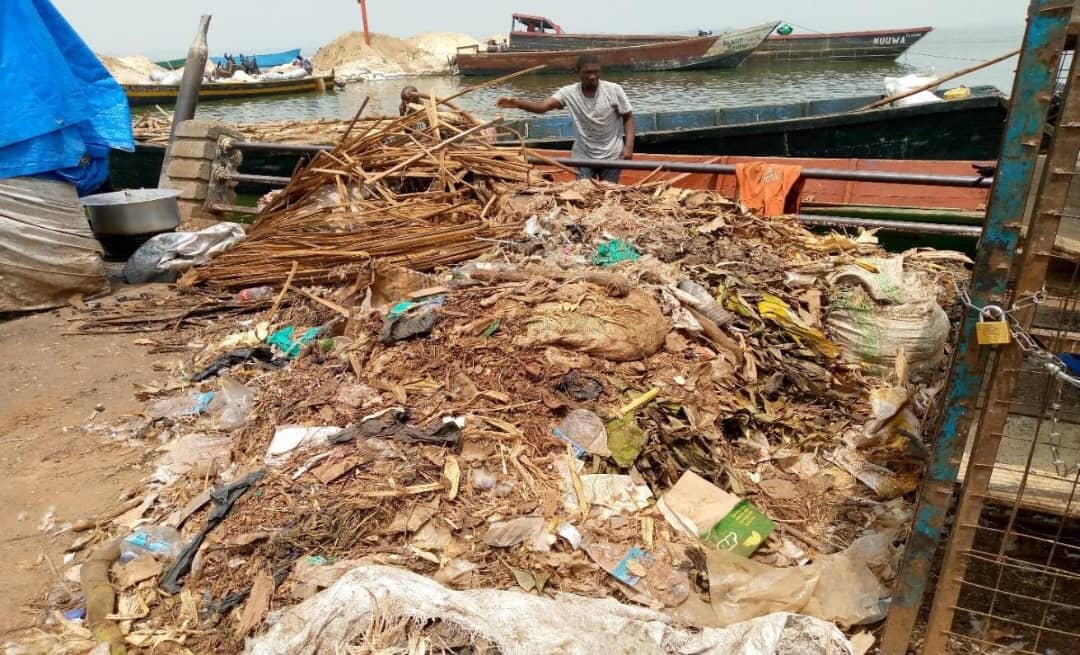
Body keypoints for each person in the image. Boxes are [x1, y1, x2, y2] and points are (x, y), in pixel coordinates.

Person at [495, 54, 634, 183]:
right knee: (584, 194)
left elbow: (628, 116)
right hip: (583, 155)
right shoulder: (568, 93)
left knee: (608, 193)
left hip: (612, 154)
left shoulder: (614, 90)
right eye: (587, 72)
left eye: (596, 71)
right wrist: (518, 103)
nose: (593, 76)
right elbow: (542, 106)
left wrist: (628, 147)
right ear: (577, 71)